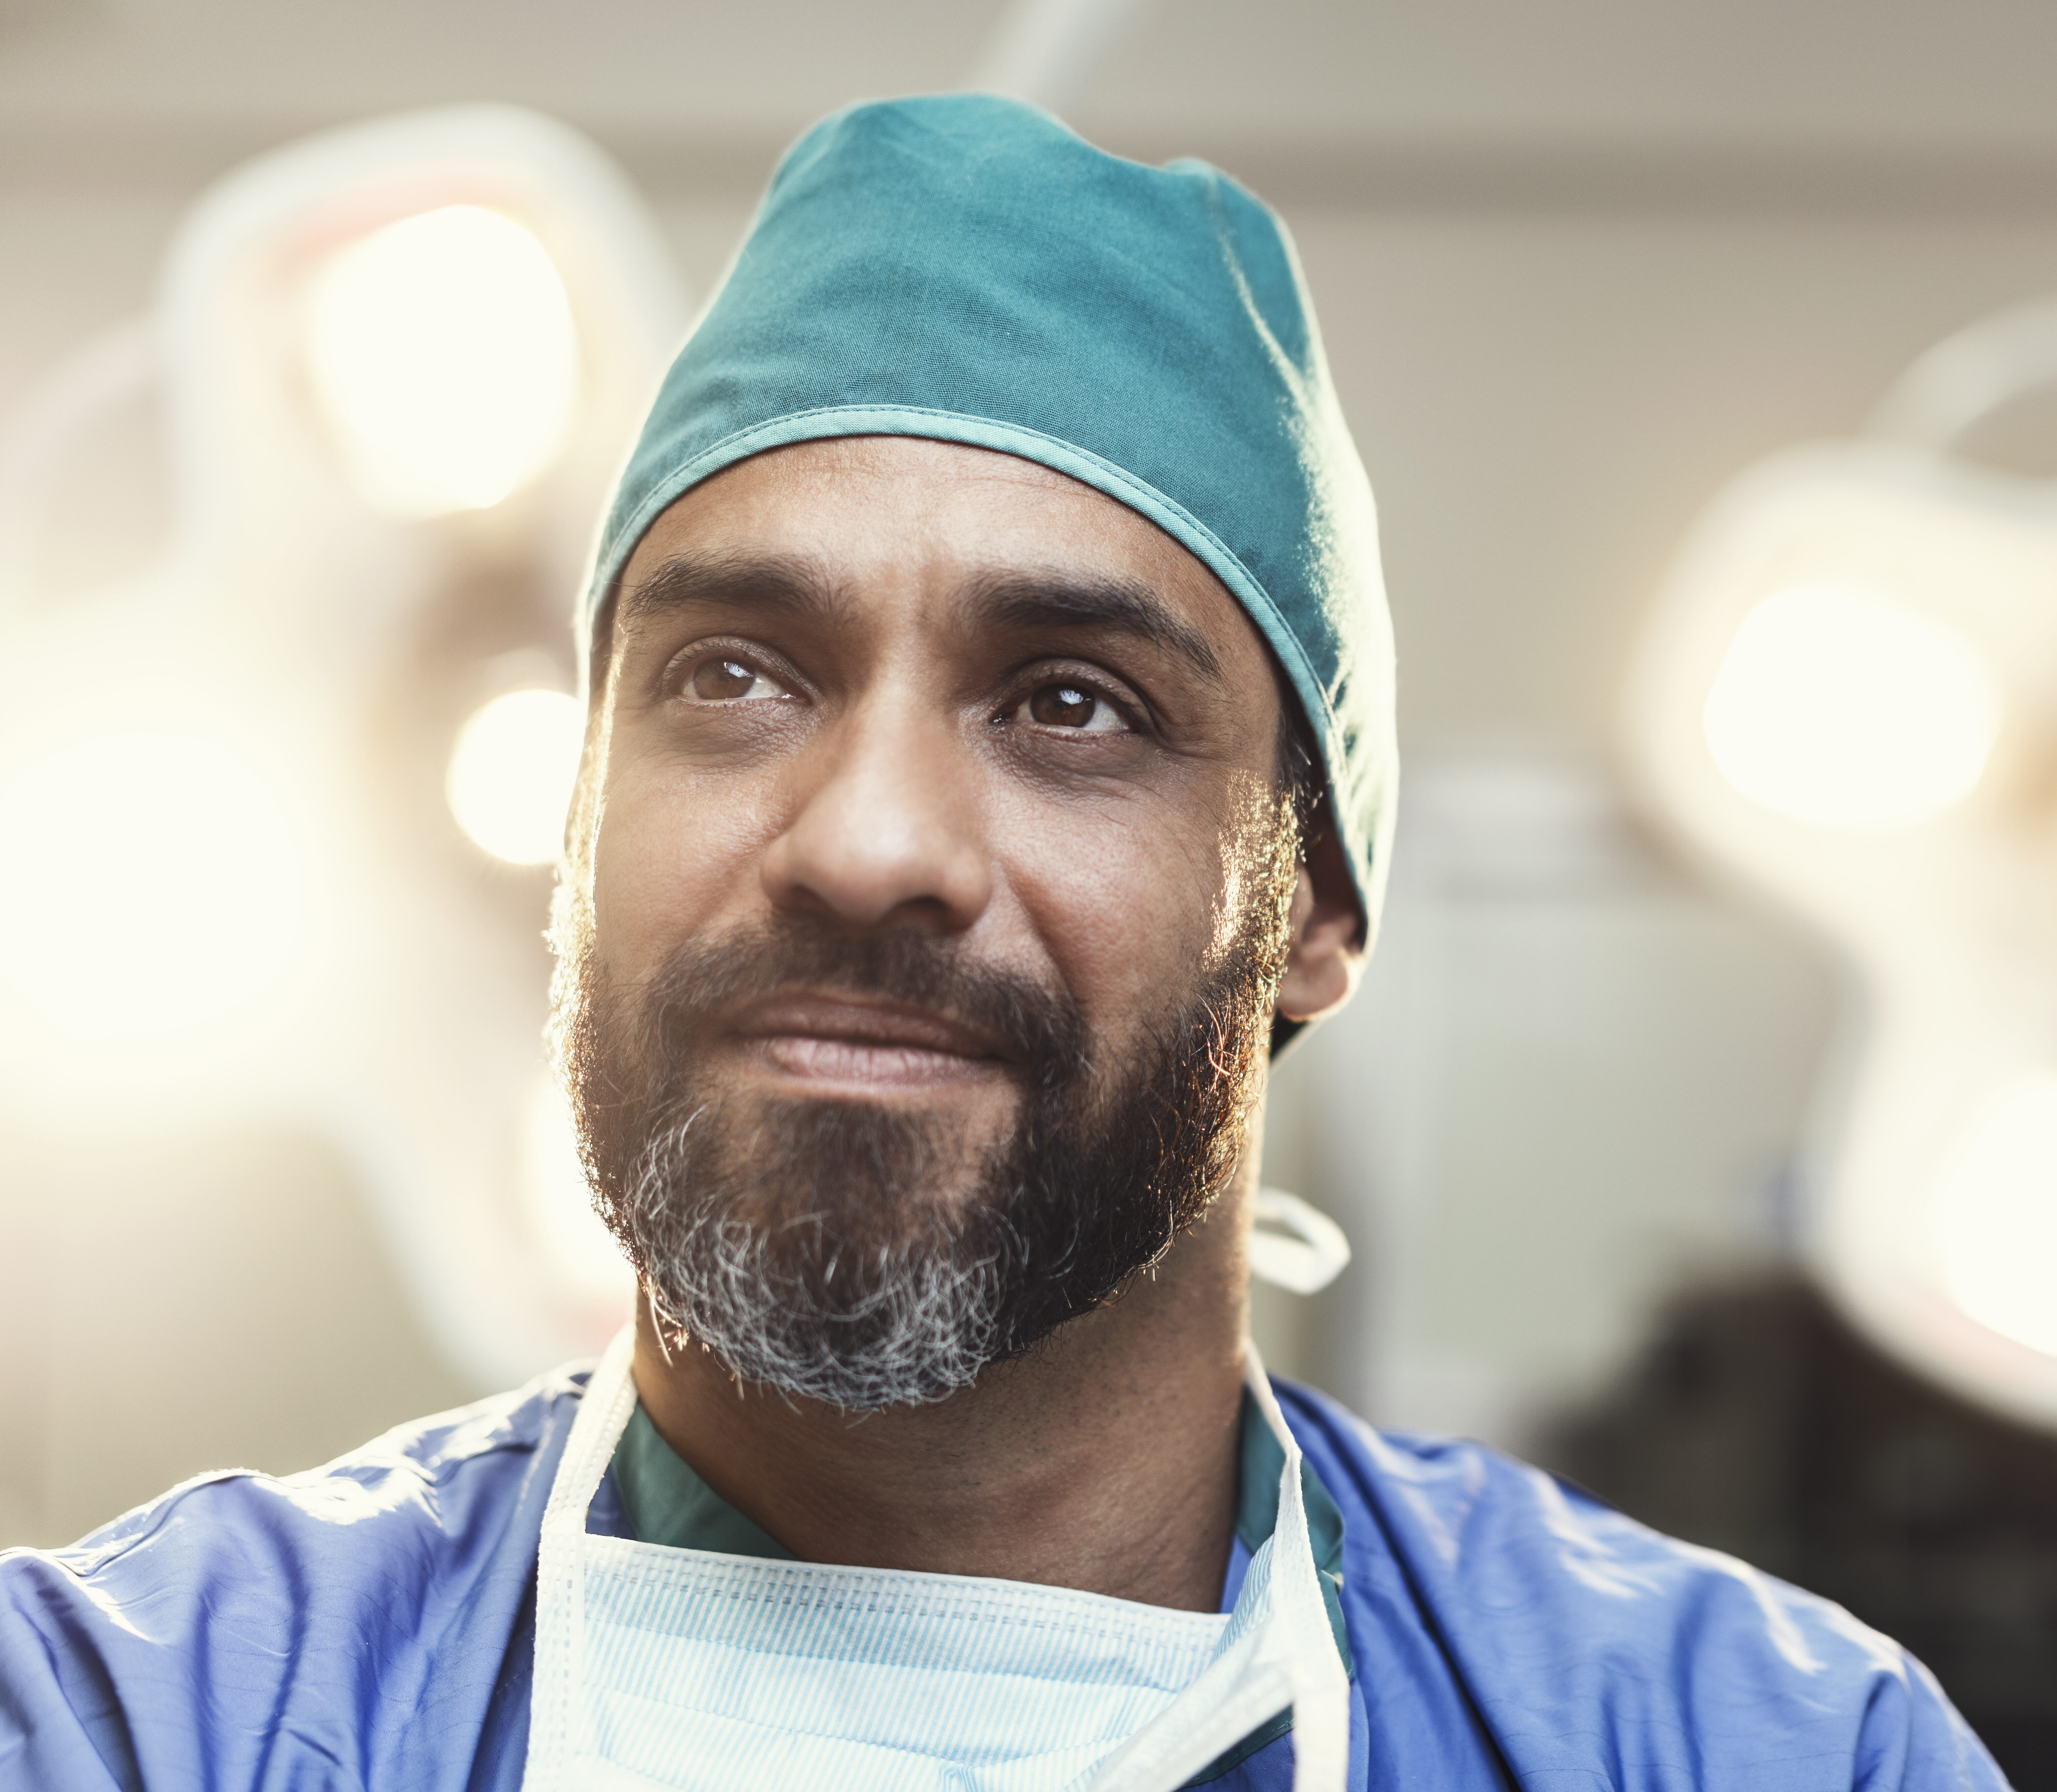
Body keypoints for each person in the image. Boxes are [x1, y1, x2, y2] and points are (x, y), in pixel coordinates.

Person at [0, 95, 2006, 1792]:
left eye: (1069, 704)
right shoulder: (134, 1715)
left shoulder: (1748, 1747)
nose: (867, 839)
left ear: (1310, 906)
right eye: (730, 673)